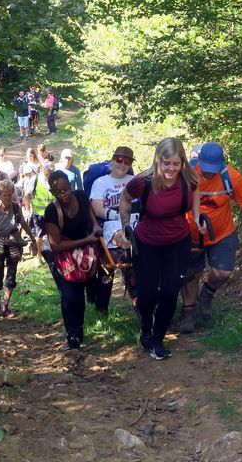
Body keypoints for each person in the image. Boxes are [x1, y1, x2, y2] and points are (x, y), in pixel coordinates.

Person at [117, 138, 206, 360]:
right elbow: (125, 199)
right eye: (166, 163)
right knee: (147, 295)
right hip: (147, 242)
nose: (171, 169)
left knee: (168, 293)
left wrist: (196, 218)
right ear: (158, 160)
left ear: (182, 162)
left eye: (176, 164)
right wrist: (126, 226)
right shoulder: (144, 181)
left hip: (178, 241)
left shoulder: (188, 179)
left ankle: (158, 340)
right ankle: (146, 325)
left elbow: (196, 193)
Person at [179, 142, 242, 333]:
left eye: (213, 170)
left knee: (223, 272)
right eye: (205, 169)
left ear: (221, 163)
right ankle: (188, 312)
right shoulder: (187, 175)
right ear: (198, 161)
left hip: (222, 233)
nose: (209, 174)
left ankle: (207, 293)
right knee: (191, 274)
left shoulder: (231, 176)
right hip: (190, 234)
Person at [44, 170, 102, 351]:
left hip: (83, 253)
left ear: (70, 185)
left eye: (66, 189)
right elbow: (56, 245)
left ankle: (79, 331)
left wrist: (95, 226)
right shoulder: (52, 211)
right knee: (70, 295)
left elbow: (90, 215)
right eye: (59, 192)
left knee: (83, 290)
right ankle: (73, 337)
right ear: (52, 192)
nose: (64, 194)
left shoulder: (81, 196)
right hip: (61, 257)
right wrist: (87, 240)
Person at [89, 146, 138, 312]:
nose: (123, 164)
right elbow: (96, 207)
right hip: (111, 222)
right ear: (113, 159)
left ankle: (142, 305)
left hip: (135, 220)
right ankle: (101, 308)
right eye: (119, 160)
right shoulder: (101, 182)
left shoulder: (135, 180)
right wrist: (116, 215)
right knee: (108, 268)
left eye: (127, 161)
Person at [0, 179, 37, 317]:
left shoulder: (16, 208)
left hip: (13, 243)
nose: (6, 198)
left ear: (13, 193)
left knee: (11, 274)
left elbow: (23, 223)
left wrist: (33, 240)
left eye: (9, 194)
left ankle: (6, 306)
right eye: (3, 195)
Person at [22, 161, 55, 262]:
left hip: (53, 212)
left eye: (50, 174)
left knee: (54, 233)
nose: (49, 176)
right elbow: (27, 196)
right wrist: (27, 210)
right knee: (39, 236)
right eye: (47, 174)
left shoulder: (54, 179)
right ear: (42, 170)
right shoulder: (35, 179)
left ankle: (55, 254)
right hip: (39, 213)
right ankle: (39, 255)